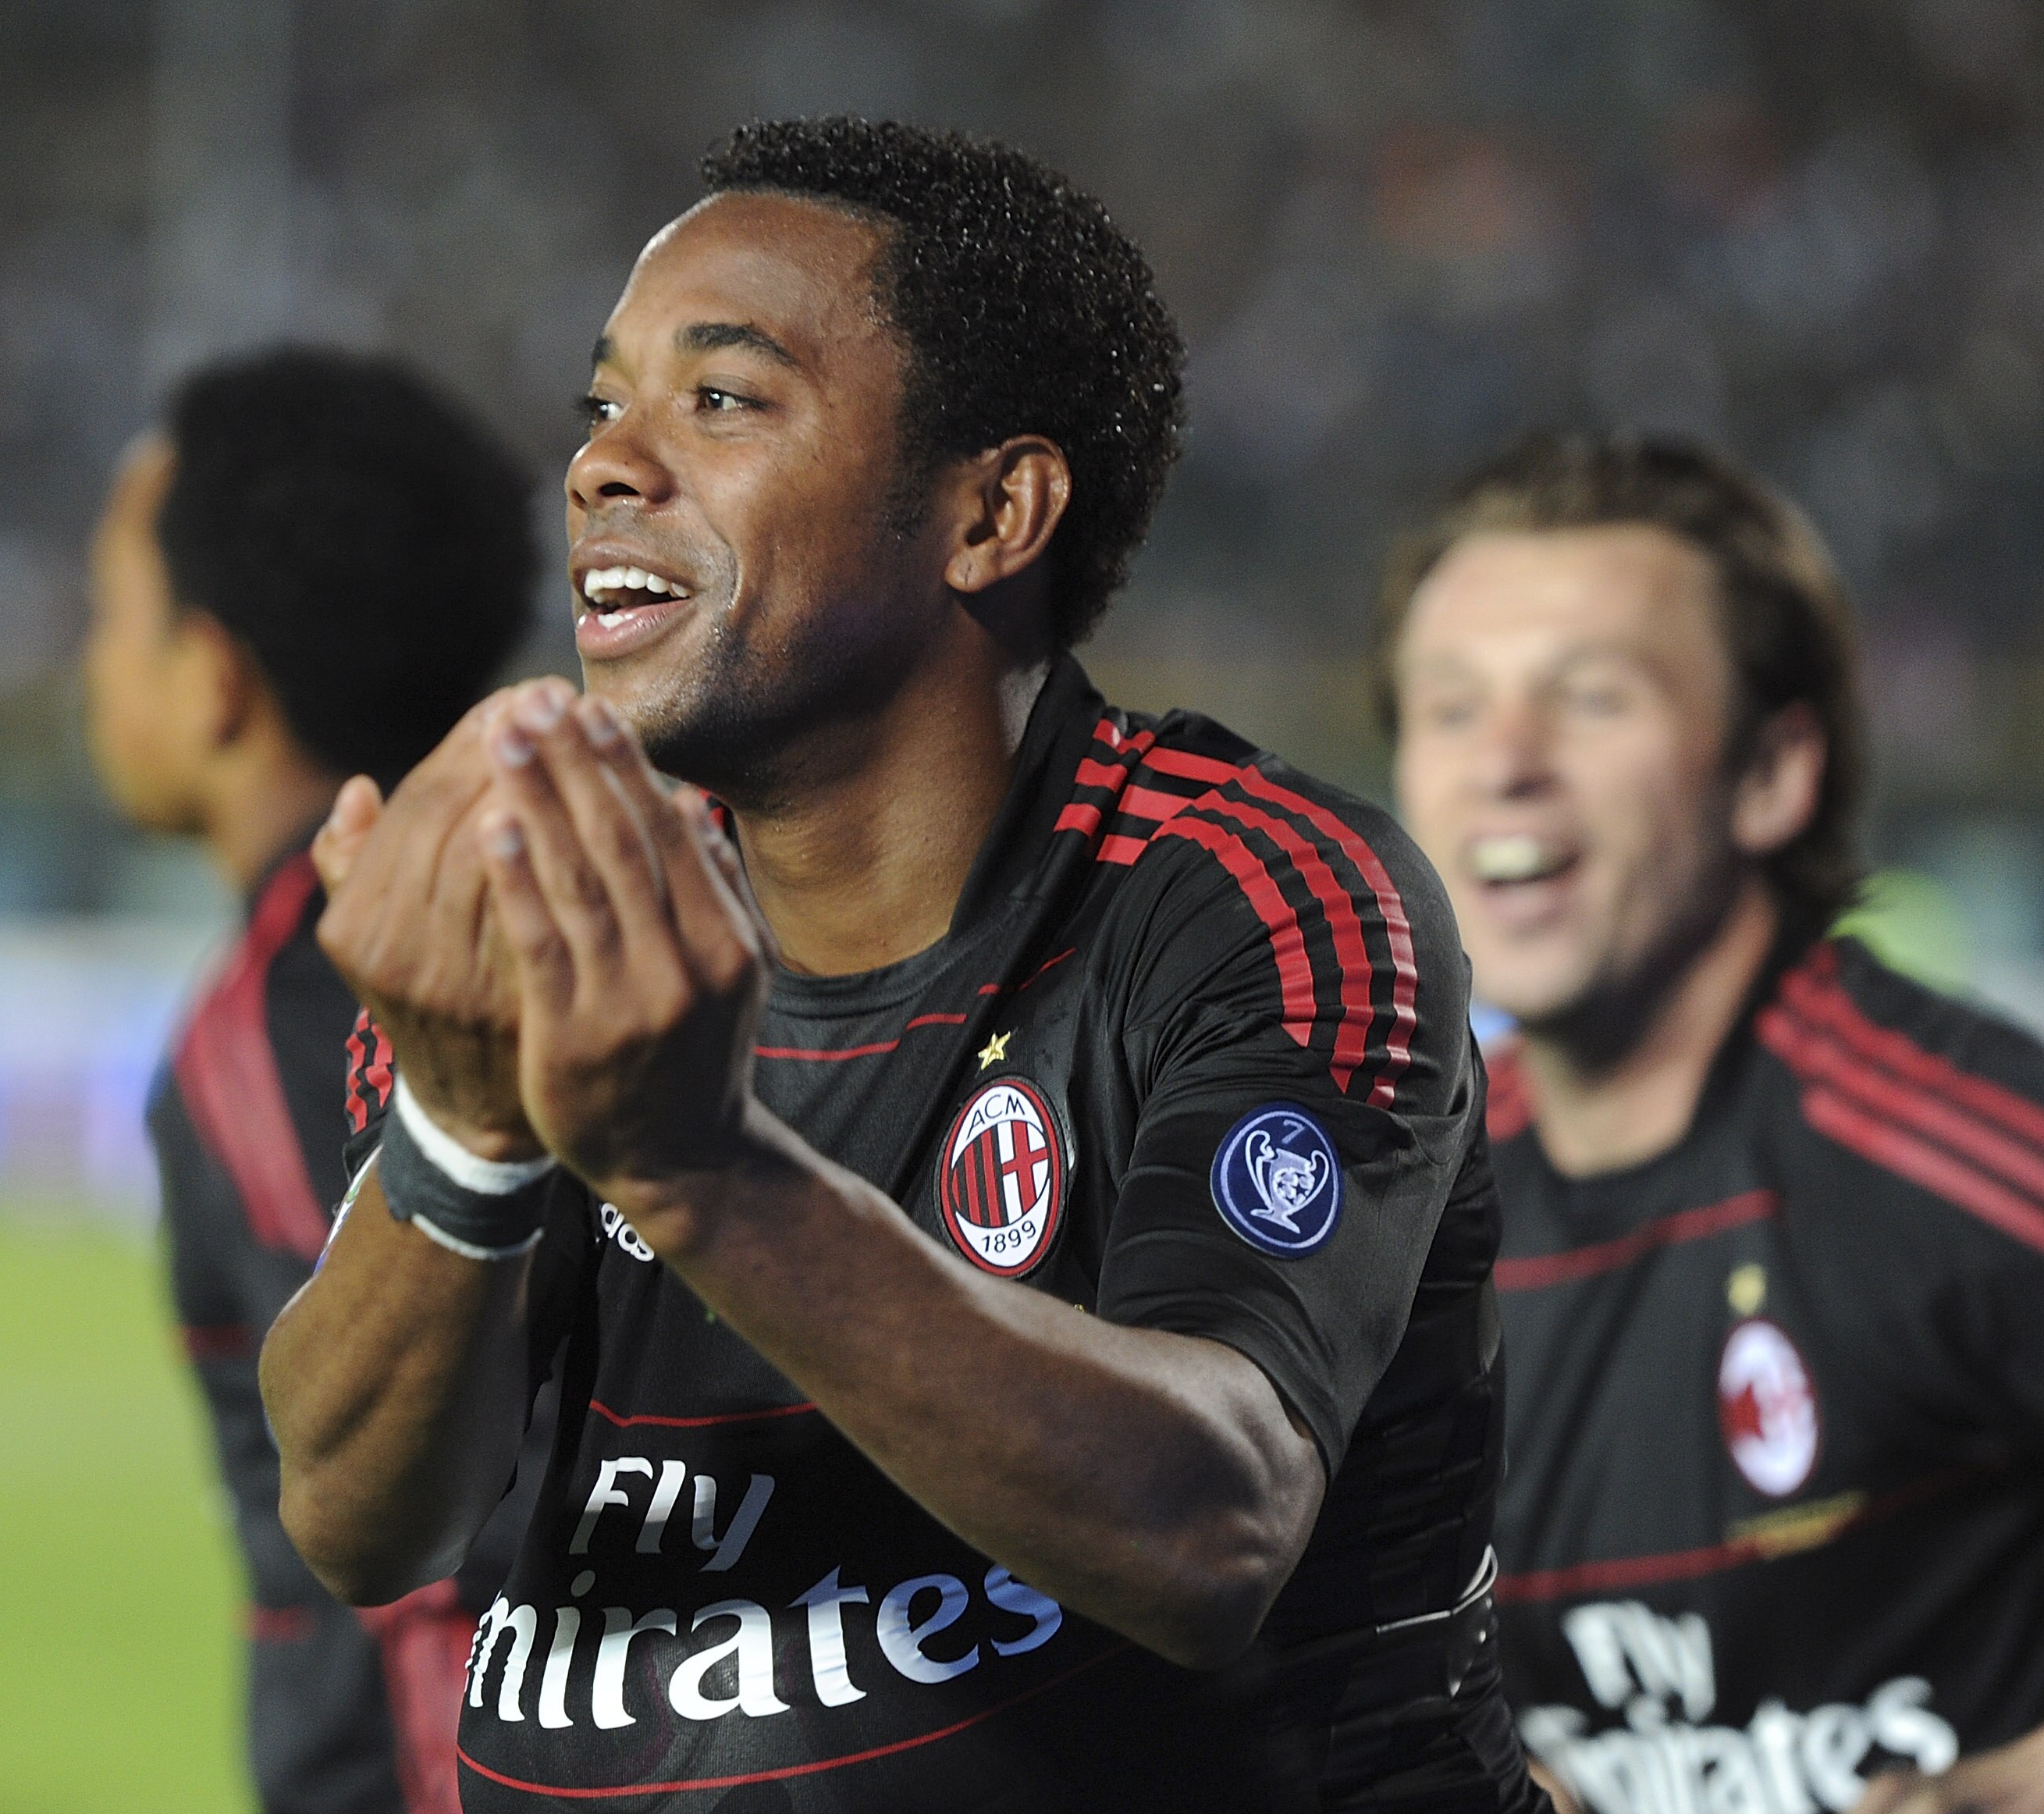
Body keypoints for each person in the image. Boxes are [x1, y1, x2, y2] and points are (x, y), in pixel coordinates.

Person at [258, 117, 1544, 1811]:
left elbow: (1211, 1522)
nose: (603, 466)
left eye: (720, 399)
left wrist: (696, 1163)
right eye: (602, 405)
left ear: (990, 511)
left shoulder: (1240, 892)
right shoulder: (568, 904)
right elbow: (362, 1518)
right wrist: (464, 1129)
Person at [1380, 432, 2044, 1814]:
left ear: (1773, 773)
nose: (1505, 762)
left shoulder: (1960, 1154)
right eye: (1449, 709)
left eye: (1593, 698)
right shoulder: (1397, 1221)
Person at [82, 345, 546, 1814]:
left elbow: (413, 1516)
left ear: (215, 681)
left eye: (111, 619)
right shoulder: (526, 916)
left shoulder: (291, 1011)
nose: (88, 661)